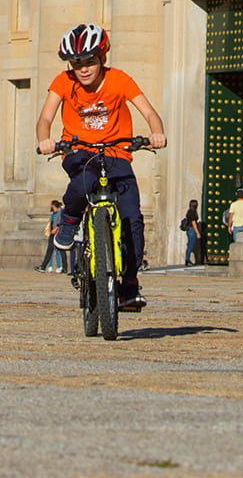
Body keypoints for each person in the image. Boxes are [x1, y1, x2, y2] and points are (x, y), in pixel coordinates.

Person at [35, 23, 167, 313]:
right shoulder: (62, 82)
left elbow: (148, 112)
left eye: (90, 62)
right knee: (85, 180)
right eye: (77, 63)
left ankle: (129, 285)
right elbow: (45, 118)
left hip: (118, 153)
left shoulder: (119, 80)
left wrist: (156, 133)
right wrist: (45, 140)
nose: (83, 69)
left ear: (102, 59)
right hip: (79, 151)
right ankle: (69, 220)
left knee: (132, 216)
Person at [180, 200, 202, 267]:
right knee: (190, 245)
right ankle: (187, 260)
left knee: (190, 245)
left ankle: (188, 259)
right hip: (192, 230)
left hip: (189, 230)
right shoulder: (193, 212)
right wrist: (197, 233)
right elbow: (193, 223)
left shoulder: (189, 211)